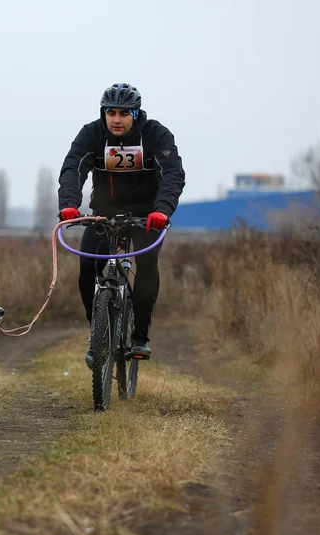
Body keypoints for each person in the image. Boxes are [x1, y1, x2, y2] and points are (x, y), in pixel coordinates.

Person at [57, 82, 185, 367]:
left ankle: (139, 337)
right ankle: (97, 332)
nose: (116, 119)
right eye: (111, 112)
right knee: (87, 265)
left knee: (147, 262)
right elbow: (73, 168)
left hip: (147, 215)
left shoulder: (156, 135)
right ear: (103, 113)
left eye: (124, 113)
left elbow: (173, 174)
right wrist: (68, 203)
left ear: (136, 115)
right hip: (104, 212)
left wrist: (162, 210)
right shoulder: (91, 134)